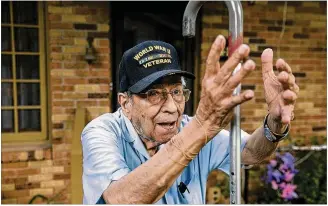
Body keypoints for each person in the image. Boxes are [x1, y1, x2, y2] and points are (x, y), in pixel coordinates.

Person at [81, 35, 299, 204]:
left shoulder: (190, 128)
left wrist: (275, 124)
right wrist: (202, 126)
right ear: (126, 103)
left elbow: (250, 153)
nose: (171, 108)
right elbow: (121, 200)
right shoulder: (102, 132)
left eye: (176, 92)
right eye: (154, 94)